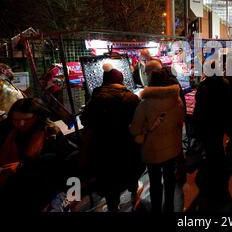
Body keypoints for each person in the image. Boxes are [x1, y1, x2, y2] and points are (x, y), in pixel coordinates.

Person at [80, 63, 143, 211]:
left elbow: (85, 120)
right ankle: (134, 194)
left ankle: (113, 206)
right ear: (121, 81)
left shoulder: (94, 98)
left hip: (102, 147)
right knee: (130, 170)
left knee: (109, 179)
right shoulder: (130, 98)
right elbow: (139, 121)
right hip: (126, 145)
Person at [0, 98, 75, 212]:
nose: (21, 124)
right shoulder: (7, 128)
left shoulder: (50, 131)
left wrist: (22, 165)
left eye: (27, 119)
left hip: (40, 189)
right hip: (9, 187)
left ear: (37, 117)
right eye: (16, 120)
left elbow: (60, 161)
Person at [130, 70, 185, 212]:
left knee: (155, 181)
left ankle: (156, 208)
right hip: (172, 147)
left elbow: (135, 129)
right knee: (169, 178)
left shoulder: (145, 104)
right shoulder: (177, 100)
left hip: (152, 150)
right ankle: (169, 206)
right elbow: (180, 121)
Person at [192, 62, 232, 203]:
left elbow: (199, 106)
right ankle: (220, 168)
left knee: (210, 147)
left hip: (207, 122)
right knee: (218, 144)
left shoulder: (204, 86)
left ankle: (212, 170)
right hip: (220, 121)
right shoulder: (225, 83)